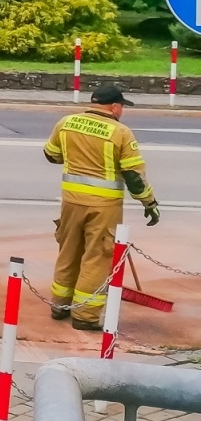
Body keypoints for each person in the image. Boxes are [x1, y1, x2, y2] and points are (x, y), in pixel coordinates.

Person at [43, 84, 159, 331]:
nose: (122, 111)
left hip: (71, 202)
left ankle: (59, 305)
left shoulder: (66, 123)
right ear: (115, 106)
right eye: (122, 107)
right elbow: (134, 177)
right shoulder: (121, 132)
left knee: (69, 251)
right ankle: (84, 315)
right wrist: (149, 203)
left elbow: (51, 155)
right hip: (104, 206)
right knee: (97, 257)